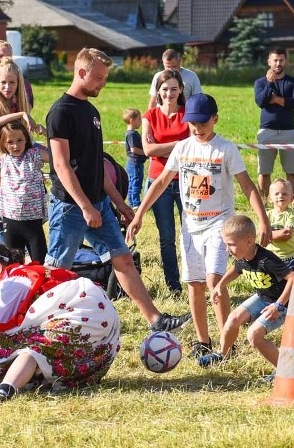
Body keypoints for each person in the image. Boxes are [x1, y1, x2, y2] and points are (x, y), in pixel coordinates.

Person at [44, 48, 189, 333]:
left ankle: (155, 320)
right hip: (71, 206)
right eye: (98, 77)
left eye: (105, 77)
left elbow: (95, 165)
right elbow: (61, 166)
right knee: (57, 269)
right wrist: (85, 206)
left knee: (122, 258)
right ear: (81, 73)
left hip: (98, 203)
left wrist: (119, 203)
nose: (103, 83)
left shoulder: (92, 111)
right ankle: (41, 321)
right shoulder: (60, 112)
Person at [127, 93, 271, 358]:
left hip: (219, 224)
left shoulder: (226, 149)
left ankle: (226, 346)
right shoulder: (182, 148)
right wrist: (138, 215)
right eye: (192, 123)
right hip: (191, 225)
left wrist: (263, 219)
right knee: (194, 283)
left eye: (203, 123)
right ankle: (203, 341)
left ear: (215, 119)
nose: (197, 128)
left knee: (214, 280)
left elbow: (247, 184)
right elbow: (160, 183)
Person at [0, 242, 121, 400]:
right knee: (44, 350)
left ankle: (5, 390)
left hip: (81, 309)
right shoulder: (25, 273)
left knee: (32, 348)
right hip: (102, 314)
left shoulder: (10, 283)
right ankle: (10, 385)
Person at [198, 215, 294, 381]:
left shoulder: (266, 260)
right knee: (233, 319)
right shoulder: (242, 256)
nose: (227, 250)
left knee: (254, 336)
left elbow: (293, 278)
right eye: (226, 244)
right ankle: (223, 354)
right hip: (263, 297)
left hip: (284, 304)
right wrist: (220, 284)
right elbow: (236, 269)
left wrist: (278, 305)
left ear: (249, 241)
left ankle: (284, 370)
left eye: (231, 245)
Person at [0, 57, 42, 244]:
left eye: (12, 82)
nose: (7, 87)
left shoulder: (21, 103)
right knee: (3, 214)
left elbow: (27, 139)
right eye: (3, 82)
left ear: (19, 83)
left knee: (23, 208)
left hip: (20, 165)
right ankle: (6, 253)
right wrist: (22, 115)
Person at [142, 69, 189, 294]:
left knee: (190, 233)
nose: (169, 93)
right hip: (158, 181)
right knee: (167, 237)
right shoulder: (149, 116)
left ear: (180, 90)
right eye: (164, 89)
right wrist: (180, 144)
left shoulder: (189, 113)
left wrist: (165, 147)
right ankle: (174, 285)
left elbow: (194, 144)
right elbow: (148, 150)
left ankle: (194, 281)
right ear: (158, 92)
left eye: (173, 88)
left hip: (186, 180)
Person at [0, 117, 49, 264]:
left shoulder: (34, 154)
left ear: (26, 139)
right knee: (13, 265)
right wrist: (22, 114)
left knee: (40, 263)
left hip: (33, 221)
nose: (15, 146)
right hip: (10, 221)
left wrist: (46, 133)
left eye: (19, 140)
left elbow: (58, 155)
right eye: (10, 142)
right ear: (3, 143)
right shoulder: (2, 157)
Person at [254, 47, 294, 202]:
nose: (278, 63)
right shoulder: (260, 82)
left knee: (291, 171)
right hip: (267, 131)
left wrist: (275, 100)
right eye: (275, 60)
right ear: (269, 61)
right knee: (264, 171)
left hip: (288, 131)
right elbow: (260, 101)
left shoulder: (293, 82)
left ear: (285, 61)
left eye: (281, 60)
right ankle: (264, 202)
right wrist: (269, 84)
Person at [266, 178, 294, 272]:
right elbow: (261, 233)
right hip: (271, 256)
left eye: (285, 194)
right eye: (276, 194)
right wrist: (266, 235)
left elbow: (287, 234)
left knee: (291, 281)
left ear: (292, 198)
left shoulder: (291, 214)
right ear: (270, 198)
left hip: (290, 257)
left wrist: (268, 235)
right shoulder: (267, 215)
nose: (280, 196)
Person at [122, 108, 146, 208]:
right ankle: (135, 203)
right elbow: (134, 149)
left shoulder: (131, 133)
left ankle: (132, 202)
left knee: (132, 182)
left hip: (133, 163)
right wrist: (146, 152)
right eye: (139, 119)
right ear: (132, 120)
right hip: (135, 163)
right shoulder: (132, 134)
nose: (140, 122)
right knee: (136, 183)